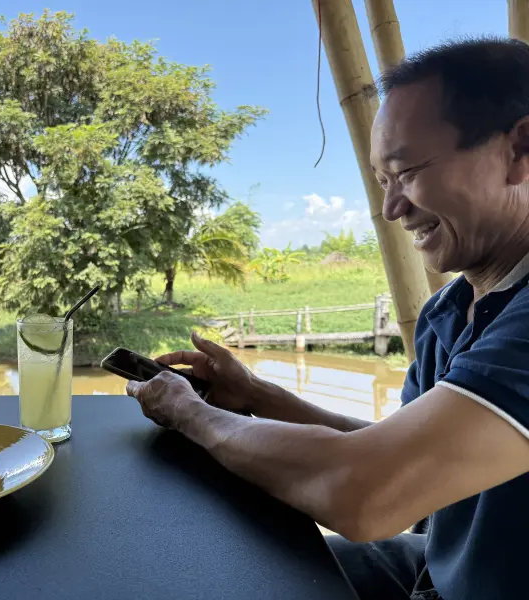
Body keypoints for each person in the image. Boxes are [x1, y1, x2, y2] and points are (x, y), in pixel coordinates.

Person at [126, 37, 529, 600]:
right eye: (383, 182)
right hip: (435, 573)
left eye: (406, 171)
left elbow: (369, 492)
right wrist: (256, 397)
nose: (392, 209)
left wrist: (191, 414)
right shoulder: (447, 313)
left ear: (519, 149)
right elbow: (397, 452)